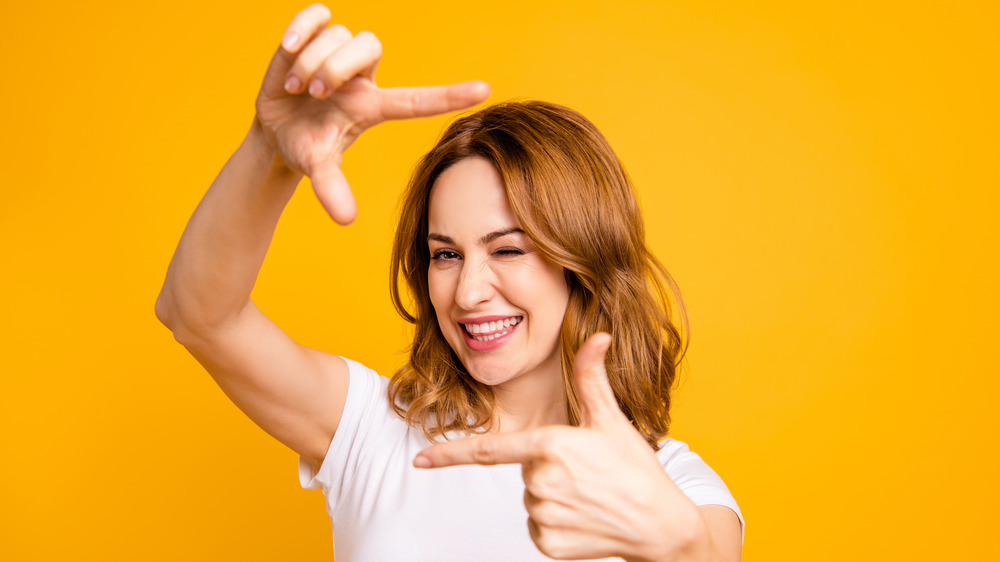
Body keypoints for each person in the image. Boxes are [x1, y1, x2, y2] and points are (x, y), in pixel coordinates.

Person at [155, 4, 743, 561]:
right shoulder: (370, 430)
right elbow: (199, 315)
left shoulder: (675, 486)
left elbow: (705, 548)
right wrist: (268, 152)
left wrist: (679, 546)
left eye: (508, 249)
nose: (467, 293)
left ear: (582, 259)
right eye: (445, 255)